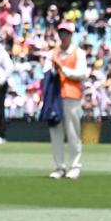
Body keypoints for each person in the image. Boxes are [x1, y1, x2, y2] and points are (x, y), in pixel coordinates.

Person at [47, 21, 88, 179]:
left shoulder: (78, 53)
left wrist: (62, 69)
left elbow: (82, 73)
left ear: (71, 35)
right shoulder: (53, 53)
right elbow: (47, 73)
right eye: (61, 33)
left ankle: (75, 166)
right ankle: (59, 167)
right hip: (55, 96)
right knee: (56, 132)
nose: (63, 36)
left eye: (66, 33)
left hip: (72, 96)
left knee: (73, 133)